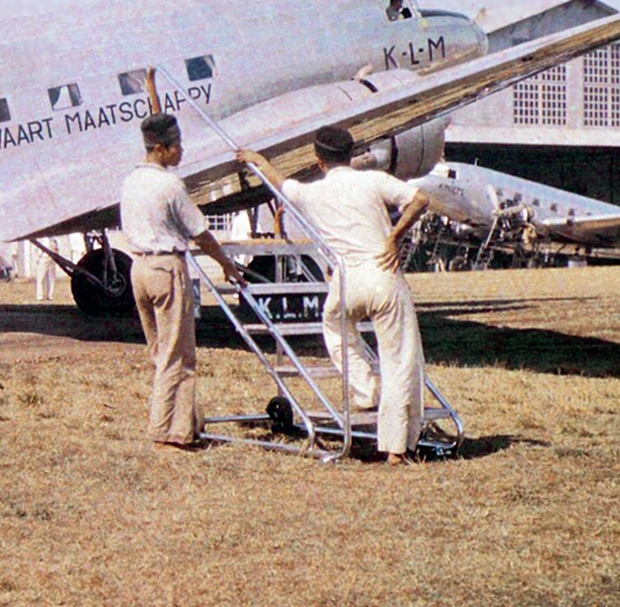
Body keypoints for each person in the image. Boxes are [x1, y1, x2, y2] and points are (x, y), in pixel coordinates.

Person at [241, 127, 431, 465]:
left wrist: (257, 160)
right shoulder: (372, 180)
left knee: (335, 328)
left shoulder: (313, 193)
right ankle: (397, 446)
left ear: (318, 160)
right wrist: (394, 237)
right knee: (400, 360)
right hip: (383, 272)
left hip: (346, 280)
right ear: (351, 155)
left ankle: (365, 387)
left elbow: (278, 182)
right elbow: (420, 200)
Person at [120, 113, 246, 450]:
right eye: (176, 146)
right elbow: (200, 232)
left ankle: (186, 422)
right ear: (160, 148)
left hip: (139, 269)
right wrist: (226, 263)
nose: (182, 151)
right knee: (179, 355)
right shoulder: (170, 185)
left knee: (161, 351)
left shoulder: (131, 181)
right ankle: (166, 430)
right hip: (166, 266)